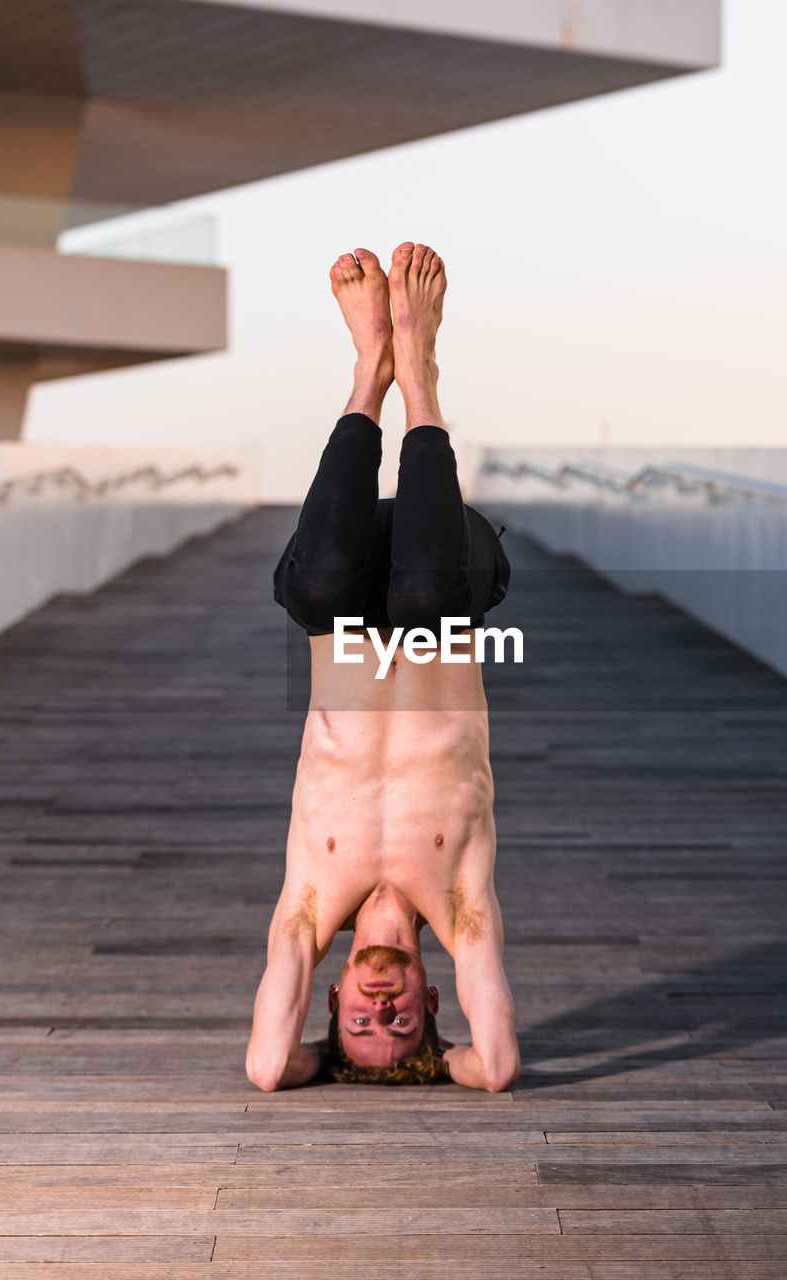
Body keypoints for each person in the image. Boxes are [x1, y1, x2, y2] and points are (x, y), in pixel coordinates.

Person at [244, 242, 519, 1090]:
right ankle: (422, 373)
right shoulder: (463, 906)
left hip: (349, 579)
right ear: (437, 1001)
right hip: (445, 574)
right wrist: (452, 1070)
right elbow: (499, 1065)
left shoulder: (309, 903)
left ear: (328, 1000)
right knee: (432, 599)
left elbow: (263, 1068)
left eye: (359, 1025)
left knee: (319, 585)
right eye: (401, 1026)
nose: (381, 1011)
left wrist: (317, 1063)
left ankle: (370, 369)